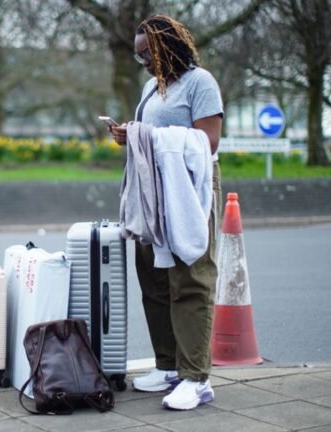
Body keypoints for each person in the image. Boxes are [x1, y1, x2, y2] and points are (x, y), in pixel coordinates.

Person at [108, 14, 223, 411]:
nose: (143, 61)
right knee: (154, 278)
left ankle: (196, 378)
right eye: (139, 55)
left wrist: (148, 136)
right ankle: (168, 365)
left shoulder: (200, 83)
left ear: (168, 46)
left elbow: (206, 142)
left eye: (148, 53)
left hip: (189, 190)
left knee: (190, 276)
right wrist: (130, 134)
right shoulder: (150, 88)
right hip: (152, 190)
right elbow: (149, 138)